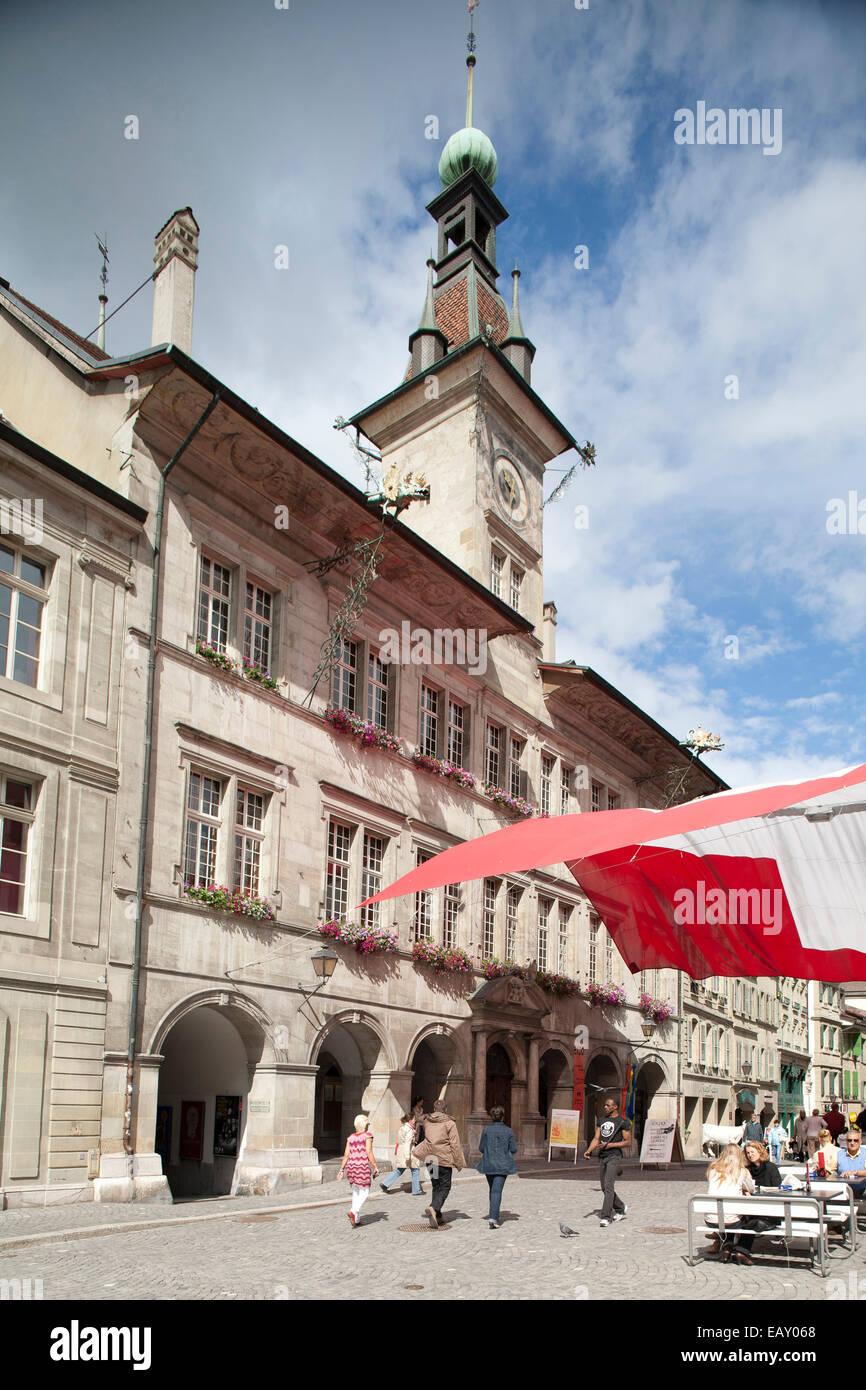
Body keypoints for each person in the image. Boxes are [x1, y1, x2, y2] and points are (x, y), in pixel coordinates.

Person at [411, 1096, 465, 1229]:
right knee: (445, 1186)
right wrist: (459, 1162)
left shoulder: (427, 1121)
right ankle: (434, 1207)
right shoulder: (450, 1123)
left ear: (434, 1109)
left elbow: (417, 1118)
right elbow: (455, 1144)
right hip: (443, 1158)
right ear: (445, 1110)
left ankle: (438, 1215)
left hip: (430, 1158)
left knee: (436, 1185)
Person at [727, 1140, 783, 1265]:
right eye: (748, 1153)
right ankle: (731, 1248)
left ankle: (738, 1249)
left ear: (760, 1151)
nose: (750, 1155)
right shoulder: (748, 1169)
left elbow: (778, 1189)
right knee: (736, 1217)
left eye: (752, 1152)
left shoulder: (771, 1168)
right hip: (752, 1206)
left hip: (769, 1208)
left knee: (752, 1221)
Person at [584, 1093, 631, 1227]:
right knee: (604, 1187)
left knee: (609, 1185)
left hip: (614, 1156)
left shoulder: (622, 1122)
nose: (605, 1107)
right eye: (604, 1105)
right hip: (603, 1156)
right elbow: (596, 1138)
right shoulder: (601, 1120)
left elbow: (627, 1142)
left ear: (615, 1107)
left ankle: (606, 1217)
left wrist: (611, 1145)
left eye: (608, 1105)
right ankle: (621, 1207)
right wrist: (589, 1150)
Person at [704, 1143, 755, 1257]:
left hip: (710, 1220)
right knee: (743, 1218)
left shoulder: (713, 1169)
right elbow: (751, 1188)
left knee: (726, 1212)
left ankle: (726, 1246)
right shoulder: (741, 1171)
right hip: (731, 1220)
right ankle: (740, 1250)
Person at [477, 1105, 518, 1229]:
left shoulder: (486, 1130)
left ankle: (493, 1213)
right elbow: (514, 1149)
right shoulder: (508, 1131)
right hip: (502, 1165)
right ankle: (493, 1218)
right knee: (496, 1191)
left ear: (491, 1117)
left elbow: (481, 1148)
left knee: (493, 1189)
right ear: (502, 1117)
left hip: (489, 1164)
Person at [337, 1113, 379, 1227]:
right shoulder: (367, 1136)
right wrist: (375, 1165)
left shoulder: (350, 1138)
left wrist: (341, 1169)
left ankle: (356, 1219)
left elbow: (346, 1155)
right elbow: (369, 1152)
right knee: (365, 1192)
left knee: (356, 1192)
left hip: (351, 1166)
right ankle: (353, 1211)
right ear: (365, 1125)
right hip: (362, 1166)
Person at [380, 1113, 424, 1196]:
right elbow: (407, 1143)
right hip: (409, 1152)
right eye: (414, 1119)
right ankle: (416, 1190)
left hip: (401, 1150)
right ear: (410, 1120)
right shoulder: (409, 1130)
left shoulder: (402, 1128)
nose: (415, 1120)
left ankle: (385, 1184)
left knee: (400, 1169)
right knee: (415, 1170)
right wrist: (407, 1156)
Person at [836, 1130, 866, 1198]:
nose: (852, 1143)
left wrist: (854, 1173)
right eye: (849, 1140)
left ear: (860, 1142)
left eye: (856, 1140)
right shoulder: (839, 1154)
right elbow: (832, 1171)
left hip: (863, 1191)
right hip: (843, 1191)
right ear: (846, 1142)